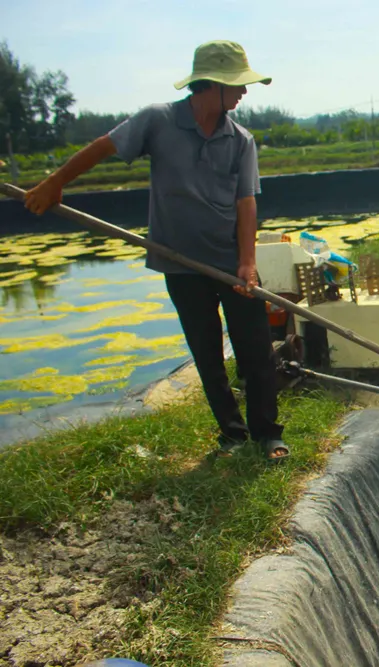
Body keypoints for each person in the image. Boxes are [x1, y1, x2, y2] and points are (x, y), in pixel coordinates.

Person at [23, 40, 289, 462]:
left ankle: (268, 433)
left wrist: (248, 263)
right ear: (213, 85)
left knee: (255, 347)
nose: (244, 93)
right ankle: (232, 434)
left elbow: (246, 203)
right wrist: (56, 182)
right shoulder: (158, 121)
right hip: (180, 263)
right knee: (206, 354)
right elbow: (103, 147)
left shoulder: (240, 140)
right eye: (238, 85)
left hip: (228, 262)